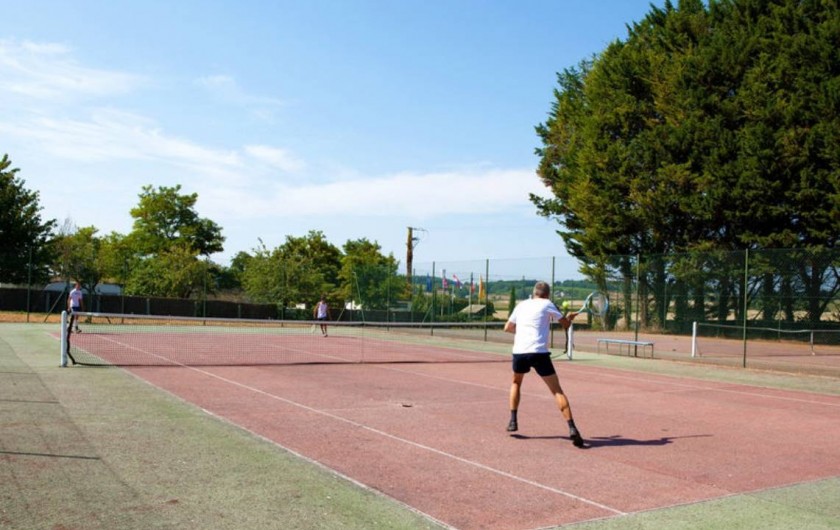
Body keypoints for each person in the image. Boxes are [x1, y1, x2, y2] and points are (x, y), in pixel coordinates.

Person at [504, 281, 584, 448]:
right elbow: (565, 324)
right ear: (547, 294)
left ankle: (513, 420)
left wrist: (525, 331)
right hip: (539, 353)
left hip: (520, 352)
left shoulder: (522, 305)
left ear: (534, 293)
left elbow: (508, 327)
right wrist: (569, 319)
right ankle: (572, 428)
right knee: (557, 391)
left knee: (516, 382)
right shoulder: (548, 304)